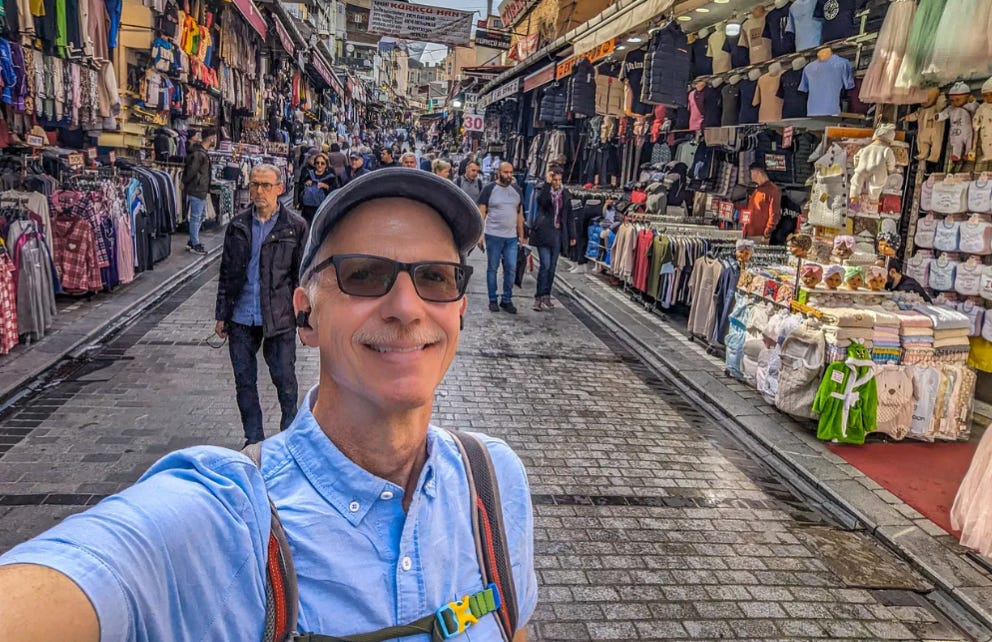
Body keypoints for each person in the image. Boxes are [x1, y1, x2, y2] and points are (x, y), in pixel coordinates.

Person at [0, 167, 537, 642]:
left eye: (434, 278)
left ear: (460, 308)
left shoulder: (492, 481)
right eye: (364, 275)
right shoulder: (230, 515)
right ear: (307, 314)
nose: (405, 307)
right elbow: (100, 568)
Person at [213, 164, 308, 446]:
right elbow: (227, 271)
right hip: (241, 315)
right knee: (244, 381)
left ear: (280, 188)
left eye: (266, 185)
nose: (258, 191)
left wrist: (303, 317)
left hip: (278, 316)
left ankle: (289, 437)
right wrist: (222, 314)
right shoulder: (238, 225)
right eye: (254, 184)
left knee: (285, 381)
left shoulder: (294, 227)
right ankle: (253, 439)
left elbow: (301, 277)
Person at [477, 162, 525, 314]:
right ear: (498, 172)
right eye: (506, 172)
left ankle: (507, 299)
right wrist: (480, 235)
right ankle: (492, 299)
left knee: (511, 268)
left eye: (511, 172)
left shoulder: (517, 190)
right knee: (493, 268)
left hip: (511, 237)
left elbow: (519, 215)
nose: (509, 175)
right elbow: (481, 214)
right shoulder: (489, 189)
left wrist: (522, 235)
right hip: (493, 235)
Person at [530, 168, 575, 311]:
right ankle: (538, 296)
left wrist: (572, 235)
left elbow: (569, 216)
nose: (557, 183)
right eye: (554, 180)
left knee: (552, 267)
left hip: (557, 233)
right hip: (543, 232)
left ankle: (546, 295)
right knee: (545, 265)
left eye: (559, 180)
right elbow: (542, 202)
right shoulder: (544, 191)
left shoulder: (565, 194)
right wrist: (547, 184)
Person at [182, 127, 216, 255]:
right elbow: (191, 171)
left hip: (201, 189)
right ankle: (194, 243)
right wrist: (184, 182)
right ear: (211, 138)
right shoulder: (199, 154)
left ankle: (193, 240)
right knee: (196, 217)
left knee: (200, 216)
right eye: (215, 137)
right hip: (197, 189)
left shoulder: (202, 153)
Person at [742, 162, 782, 242]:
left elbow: (774, 214)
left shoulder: (774, 190)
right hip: (748, 233)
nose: (751, 177)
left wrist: (767, 233)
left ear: (758, 173)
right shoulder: (757, 190)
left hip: (760, 236)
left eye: (752, 174)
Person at [300, 153, 340, 226]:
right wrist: (305, 184)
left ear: (326, 165)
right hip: (308, 209)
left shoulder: (331, 177)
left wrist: (326, 187)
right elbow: (300, 188)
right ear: (314, 164)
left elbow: (336, 191)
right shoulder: (308, 175)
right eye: (317, 163)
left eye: (322, 163)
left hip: (323, 208)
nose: (319, 165)